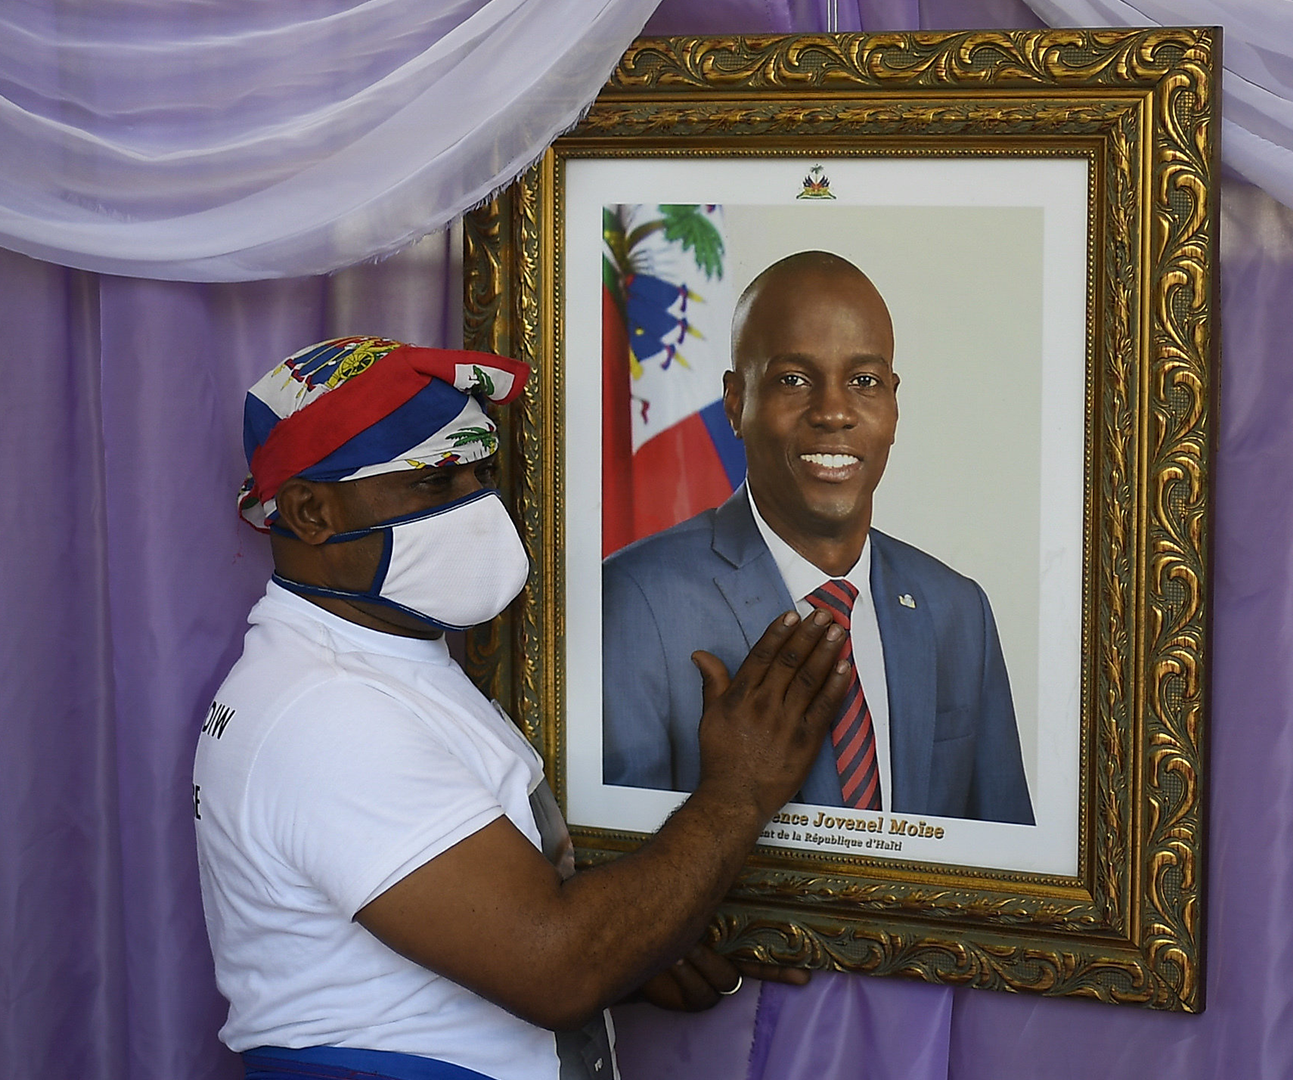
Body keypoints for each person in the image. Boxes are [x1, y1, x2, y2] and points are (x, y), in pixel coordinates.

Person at [195, 336, 849, 1080]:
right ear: (311, 511)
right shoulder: (325, 711)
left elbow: (499, 938)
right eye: (435, 484)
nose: (478, 509)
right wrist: (739, 791)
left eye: (481, 474)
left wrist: (631, 947)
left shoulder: (380, 663)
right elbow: (554, 966)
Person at [602, 252, 1035, 825]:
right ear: (736, 403)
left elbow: (1003, 866)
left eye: (863, 381)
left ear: (894, 403)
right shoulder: (633, 602)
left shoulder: (959, 611)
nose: (834, 412)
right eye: (793, 380)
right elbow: (617, 881)